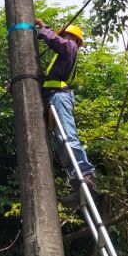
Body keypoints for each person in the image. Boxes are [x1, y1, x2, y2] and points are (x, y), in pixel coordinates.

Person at [34, 18, 98, 198]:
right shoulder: (62, 57)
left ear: (76, 40)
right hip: (53, 96)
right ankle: (76, 179)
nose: (64, 38)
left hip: (60, 96)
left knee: (67, 136)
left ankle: (86, 173)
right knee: (60, 142)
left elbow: (57, 42)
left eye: (67, 35)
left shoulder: (70, 48)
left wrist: (44, 29)